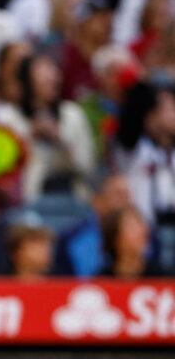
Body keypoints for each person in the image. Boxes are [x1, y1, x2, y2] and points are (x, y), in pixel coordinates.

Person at [0, 54, 96, 201]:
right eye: (43, 72)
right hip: (26, 198)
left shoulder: (72, 114)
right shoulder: (5, 117)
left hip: (71, 197)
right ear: (26, 80)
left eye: (54, 71)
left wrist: (59, 138)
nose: (52, 77)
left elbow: (86, 165)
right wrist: (30, 134)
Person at [114, 81, 175, 226]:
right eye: (169, 109)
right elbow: (130, 117)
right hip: (142, 229)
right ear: (150, 116)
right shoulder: (135, 147)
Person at [54, 174, 133, 277]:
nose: (125, 202)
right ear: (97, 202)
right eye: (118, 195)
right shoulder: (71, 239)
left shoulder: (145, 234)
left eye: (127, 196)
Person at [99, 206, 164, 277]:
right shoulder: (99, 282)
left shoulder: (163, 279)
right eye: (133, 226)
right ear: (116, 238)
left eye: (142, 224)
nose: (143, 231)